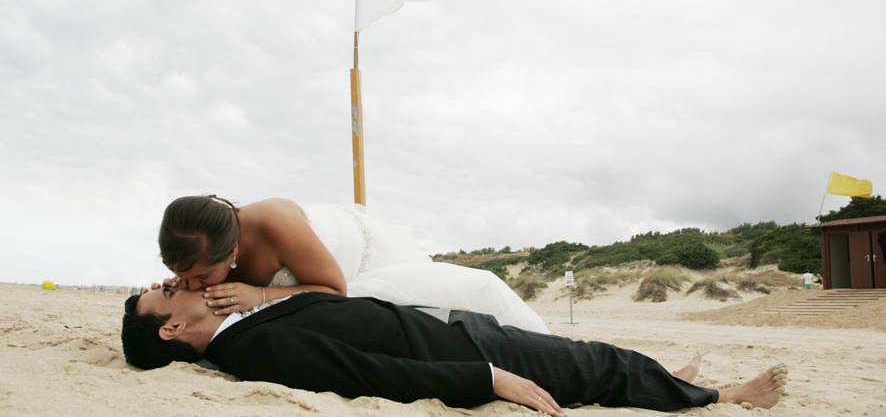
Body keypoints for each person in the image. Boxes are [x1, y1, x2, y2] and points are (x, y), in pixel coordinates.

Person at [121, 285, 788, 416]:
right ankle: (724, 396)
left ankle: (661, 380)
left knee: (588, 359)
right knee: (588, 365)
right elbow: (372, 373)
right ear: (170, 332)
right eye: (162, 295)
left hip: (444, 324)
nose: (171, 284)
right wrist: (486, 377)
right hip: (458, 349)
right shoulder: (255, 354)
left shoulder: (242, 328)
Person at [155, 195, 548, 332]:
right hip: (329, 282)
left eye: (202, 277)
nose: (193, 284)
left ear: (233, 252)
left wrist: (259, 294)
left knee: (461, 296)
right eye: (182, 277)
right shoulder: (200, 244)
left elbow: (334, 290)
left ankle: (538, 340)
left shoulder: (275, 223)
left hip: (363, 261)